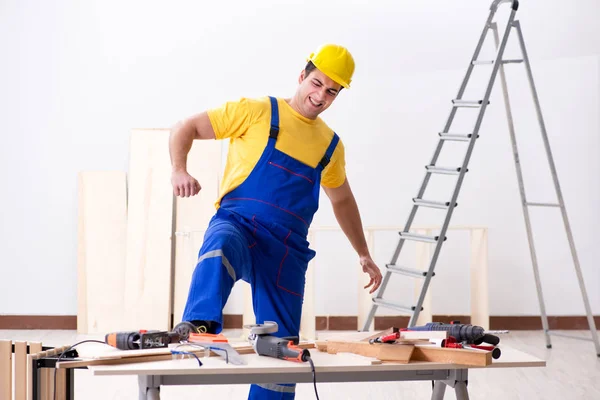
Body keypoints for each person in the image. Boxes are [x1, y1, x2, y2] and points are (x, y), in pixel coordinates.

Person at [168, 43, 382, 399]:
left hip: (286, 251)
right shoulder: (255, 112)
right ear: (302, 76)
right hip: (239, 224)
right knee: (218, 244)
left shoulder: (330, 145)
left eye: (332, 91)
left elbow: (342, 199)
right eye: (317, 83)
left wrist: (363, 252)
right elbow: (185, 127)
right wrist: (178, 170)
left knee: (282, 353)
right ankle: (200, 326)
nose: (321, 96)